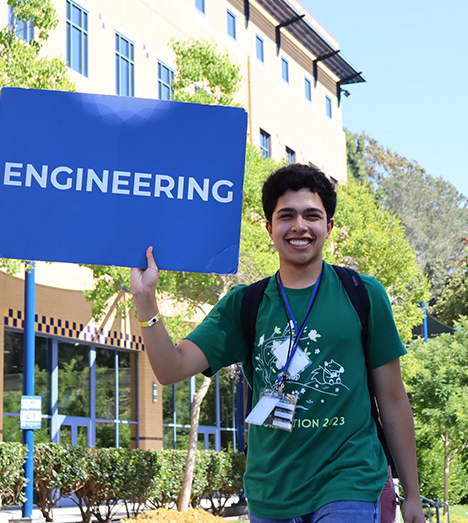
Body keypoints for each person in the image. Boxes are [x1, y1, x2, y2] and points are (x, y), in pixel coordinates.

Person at [130, 163, 424, 523]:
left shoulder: (363, 294)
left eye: (312, 216)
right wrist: (146, 301)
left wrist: (412, 494)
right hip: (271, 494)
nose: (299, 226)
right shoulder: (244, 304)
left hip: (350, 481)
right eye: (287, 216)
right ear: (269, 227)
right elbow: (169, 368)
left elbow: (392, 398)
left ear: (328, 227)